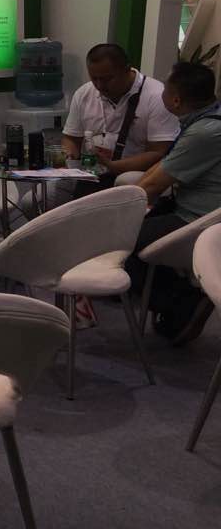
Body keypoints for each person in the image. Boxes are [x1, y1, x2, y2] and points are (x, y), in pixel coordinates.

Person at [128, 61, 221, 344]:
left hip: (198, 219)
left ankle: (186, 301)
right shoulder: (205, 120)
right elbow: (161, 169)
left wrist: (120, 213)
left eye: (165, 89)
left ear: (176, 100)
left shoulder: (205, 132)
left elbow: (153, 184)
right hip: (195, 209)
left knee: (119, 243)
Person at [62, 43, 177, 191]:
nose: (99, 85)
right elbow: (71, 138)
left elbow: (158, 153)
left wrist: (112, 166)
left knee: (124, 181)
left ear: (126, 70)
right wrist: (69, 156)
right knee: (42, 194)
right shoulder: (84, 93)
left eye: (107, 79)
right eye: (94, 78)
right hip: (91, 171)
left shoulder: (157, 95)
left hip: (134, 173)